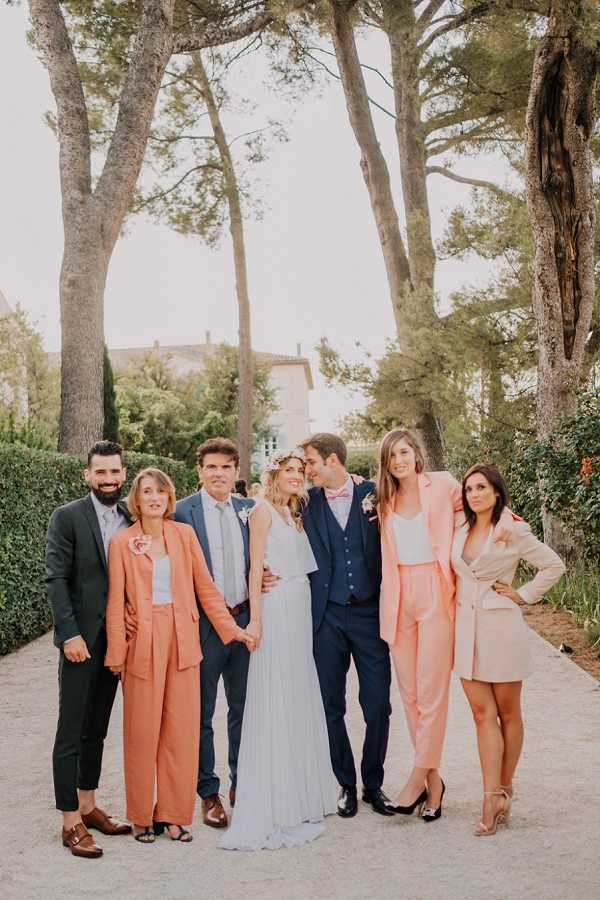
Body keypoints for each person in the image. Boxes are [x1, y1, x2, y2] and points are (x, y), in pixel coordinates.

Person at [104, 468, 255, 844]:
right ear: (136, 500)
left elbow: (205, 589)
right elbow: (114, 602)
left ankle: (172, 815)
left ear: (169, 498)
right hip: (142, 640)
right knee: (142, 732)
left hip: (184, 639)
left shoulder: (183, 534)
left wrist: (234, 630)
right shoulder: (123, 541)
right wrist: (116, 652)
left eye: (160, 491)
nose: (154, 498)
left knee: (180, 732)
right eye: (147, 492)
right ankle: (141, 816)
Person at [219, 449, 337, 850]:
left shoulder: (294, 513)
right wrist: (255, 619)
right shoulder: (263, 511)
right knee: (276, 694)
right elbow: (256, 567)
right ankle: (276, 796)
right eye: (290, 470)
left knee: (299, 690)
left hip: (300, 606)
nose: (296, 476)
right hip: (277, 606)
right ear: (274, 475)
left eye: (300, 471)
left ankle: (305, 790)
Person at [452, 464, 565, 836]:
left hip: (501, 628)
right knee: (481, 714)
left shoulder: (512, 530)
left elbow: (553, 565)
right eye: (469, 489)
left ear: (496, 492)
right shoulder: (459, 528)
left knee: (507, 712)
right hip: (465, 631)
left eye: (481, 487)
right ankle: (490, 796)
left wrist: (524, 594)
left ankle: (504, 786)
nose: (474, 494)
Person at [299, 433, 394, 819]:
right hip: (327, 616)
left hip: (371, 614)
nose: (307, 470)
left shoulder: (375, 493)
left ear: (333, 460)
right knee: (329, 705)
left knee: (378, 706)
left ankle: (373, 783)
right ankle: (346, 783)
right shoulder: (306, 502)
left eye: (311, 462)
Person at [46, 439, 132, 859]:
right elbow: (56, 579)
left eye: (115, 471)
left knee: (97, 727)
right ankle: (69, 821)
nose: (109, 479)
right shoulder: (67, 517)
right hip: (80, 642)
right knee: (71, 732)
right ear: (88, 475)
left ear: (124, 473)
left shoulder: (132, 517)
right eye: (101, 472)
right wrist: (70, 635)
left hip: (117, 642)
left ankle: (88, 804)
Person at [378, 428, 463, 822]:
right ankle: (434, 783)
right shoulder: (382, 501)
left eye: (405, 451)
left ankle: (416, 776)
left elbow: (483, 510)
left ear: (416, 453)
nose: (400, 460)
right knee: (410, 693)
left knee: (432, 692)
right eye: (392, 455)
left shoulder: (444, 485)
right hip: (398, 598)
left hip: (434, 588)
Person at [173, 438, 254, 828]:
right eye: (211, 467)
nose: (219, 473)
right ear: (199, 471)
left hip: (242, 622)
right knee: (201, 713)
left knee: (243, 709)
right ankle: (209, 792)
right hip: (202, 627)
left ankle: (242, 783)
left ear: (236, 472)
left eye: (226, 467)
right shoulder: (180, 513)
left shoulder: (250, 509)